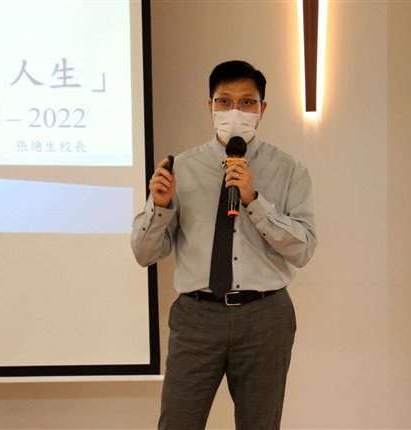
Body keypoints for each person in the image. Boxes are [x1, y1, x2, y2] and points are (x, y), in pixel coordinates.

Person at [131, 60, 317, 430]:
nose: (235, 111)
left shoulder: (289, 169)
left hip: (265, 316)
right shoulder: (181, 168)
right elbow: (144, 253)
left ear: (262, 109)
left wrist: (254, 201)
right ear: (210, 107)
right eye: (225, 102)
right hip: (197, 316)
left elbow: (303, 249)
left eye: (247, 103)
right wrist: (160, 208)